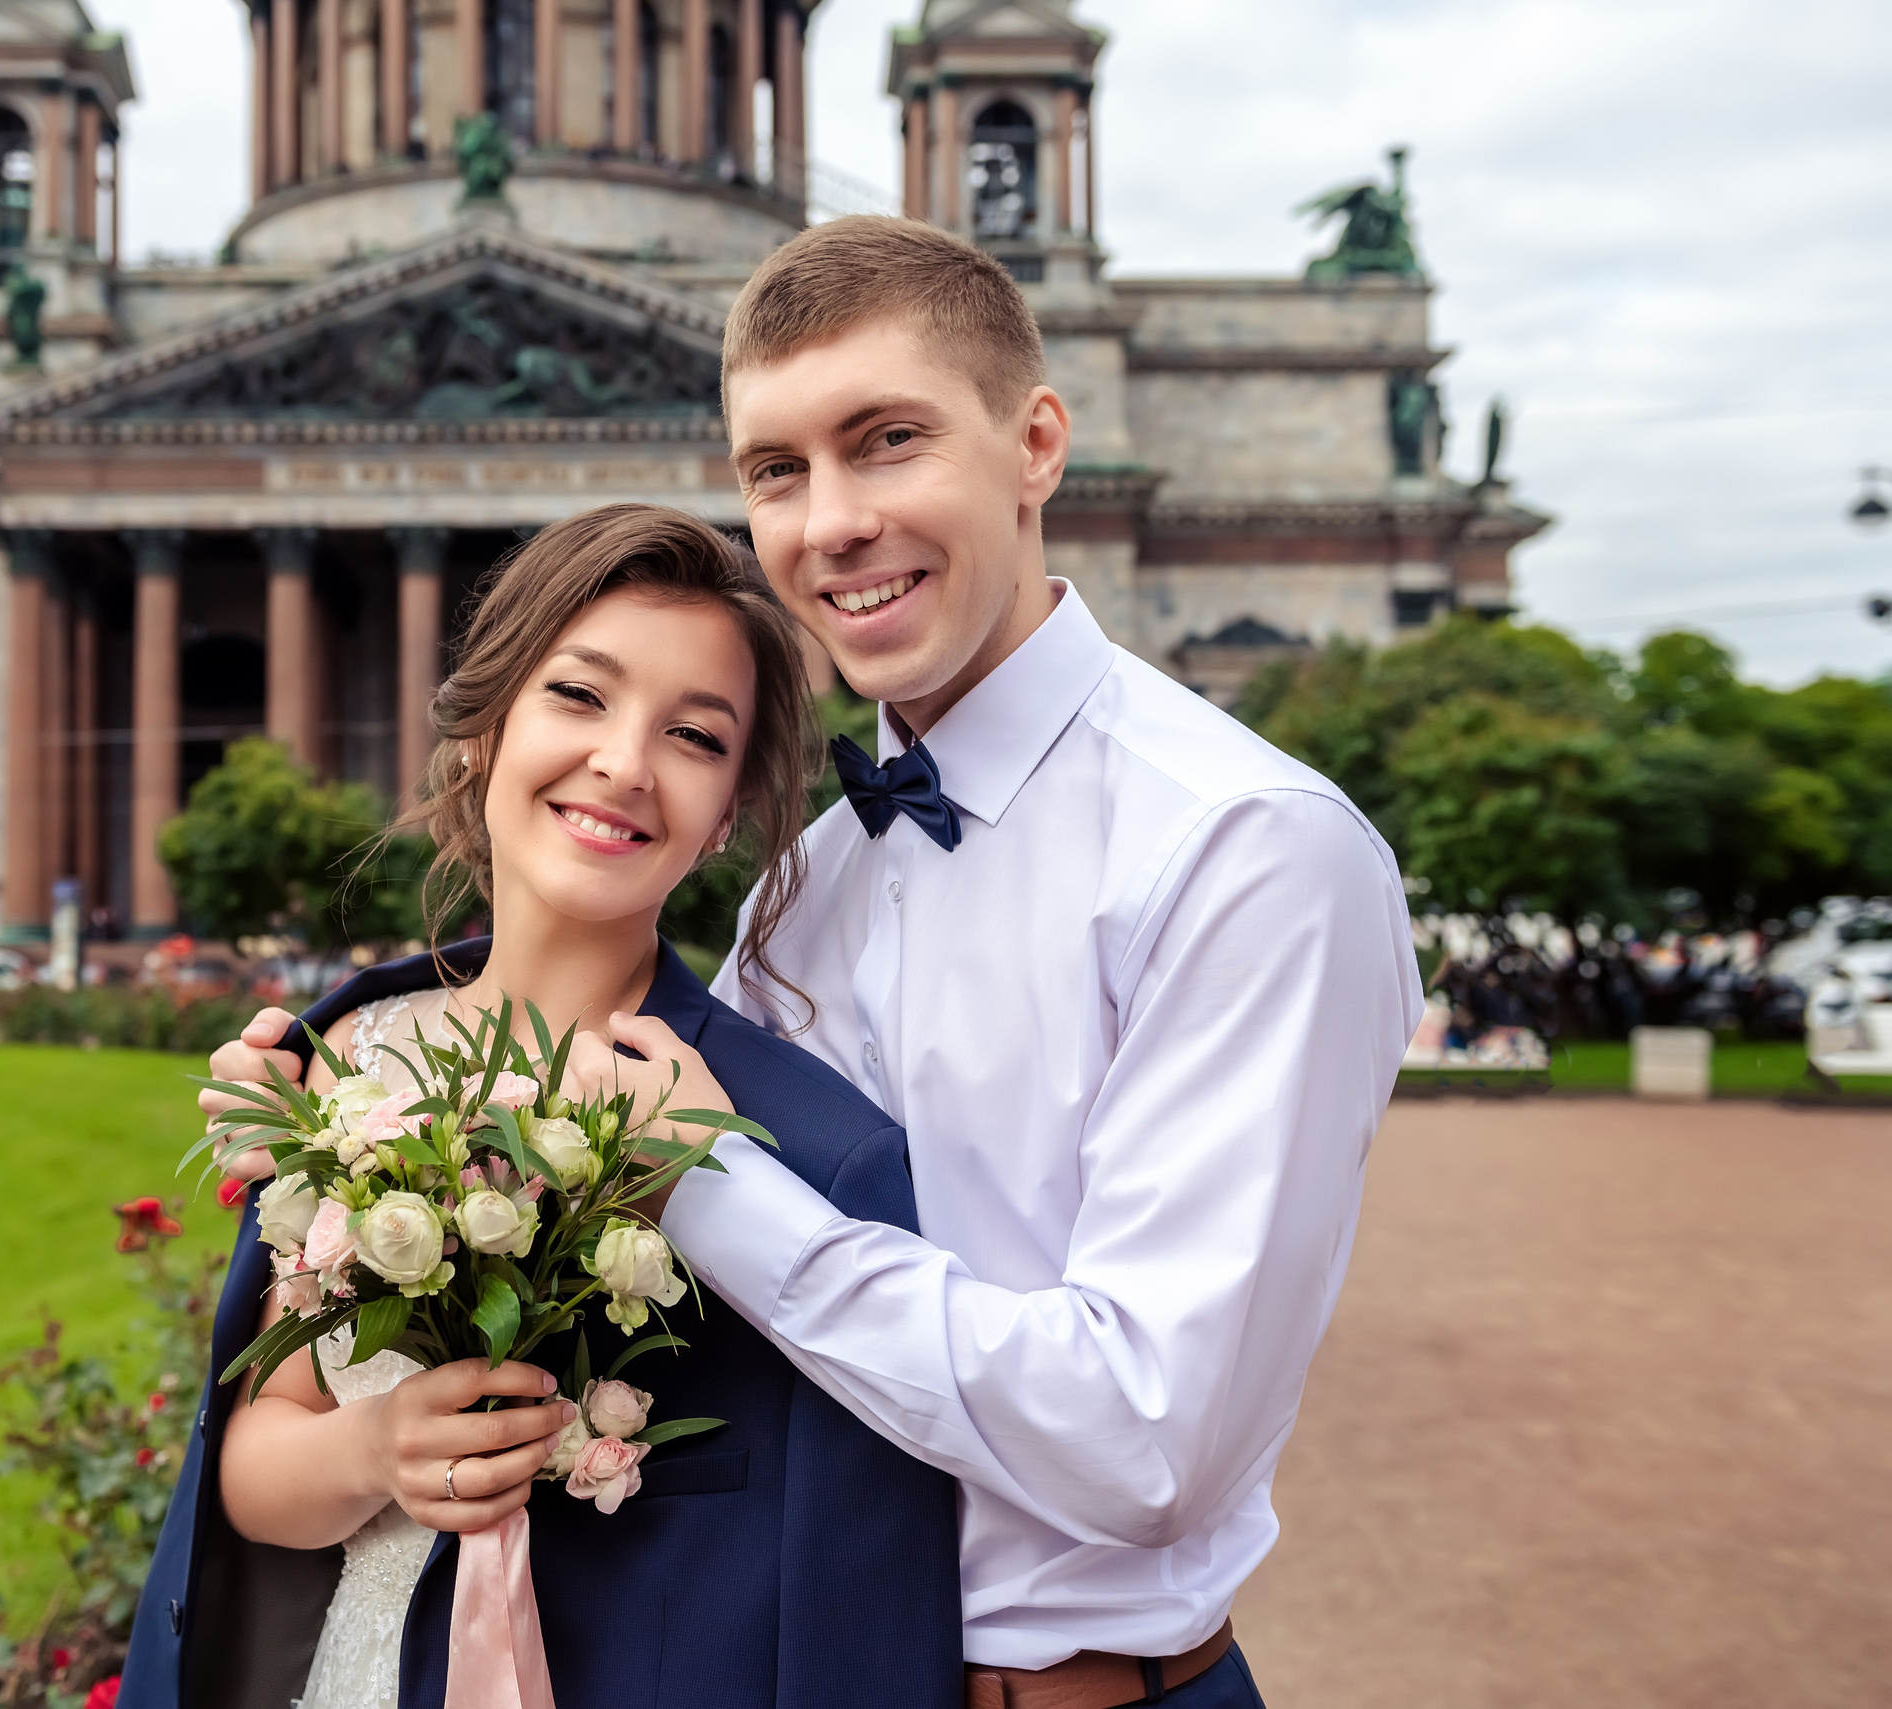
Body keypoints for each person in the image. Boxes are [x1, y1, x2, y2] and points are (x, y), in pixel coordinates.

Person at [206, 218, 1423, 1708]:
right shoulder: (811, 883)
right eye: (777, 470)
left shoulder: (1250, 848)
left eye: (889, 440)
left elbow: (1147, 1442)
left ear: (1038, 442)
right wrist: (341, 1118)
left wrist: (693, 1180)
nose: (831, 521)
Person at [118, 505, 960, 1709]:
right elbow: (252, 1465)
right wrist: (376, 1447)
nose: (623, 760)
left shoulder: (806, 1154)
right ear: (480, 730)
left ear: (724, 815)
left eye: (692, 734)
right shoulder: (346, 1062)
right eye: (578, 695)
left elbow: (858, 1606)